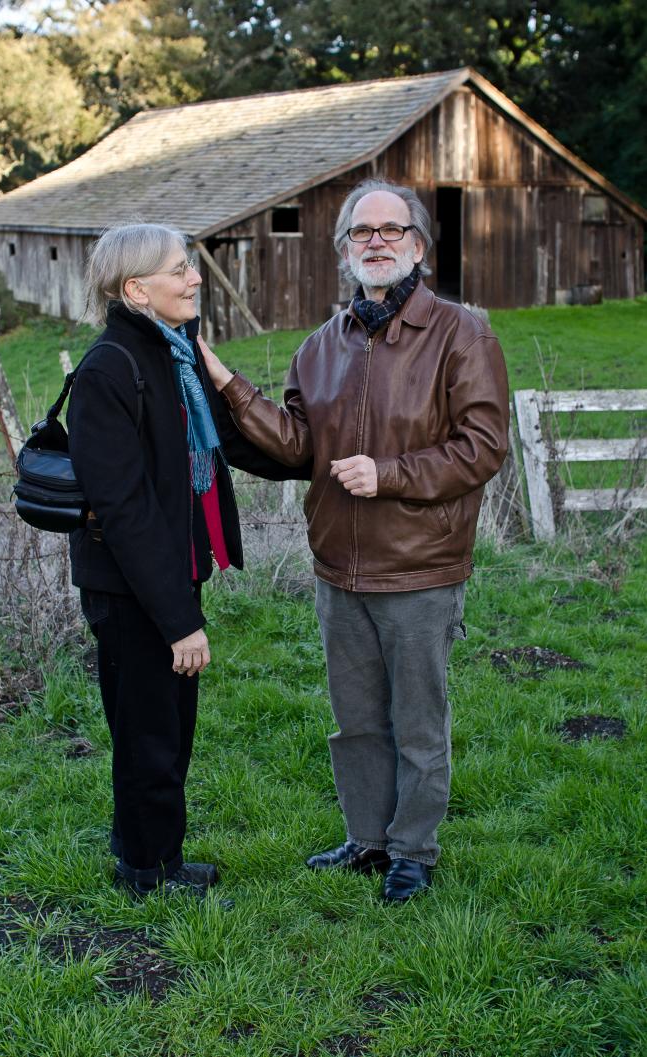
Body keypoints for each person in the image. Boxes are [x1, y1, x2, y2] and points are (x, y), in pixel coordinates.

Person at [199, 179, 510, 902]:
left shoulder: (463, 334)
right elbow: (299, 446)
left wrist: (390, 473)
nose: (376, 241)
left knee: (418, 722)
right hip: (338, 565)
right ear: (343, 250)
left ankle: (413, 850)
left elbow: (485, 445)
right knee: (356, 719)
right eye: (360, 232)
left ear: (419, 245)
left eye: (390, 230)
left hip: (421, 566)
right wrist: (226, 383)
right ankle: (368, 838)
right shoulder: (319, 348)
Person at [67, 223, 307, 898]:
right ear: (137, 288)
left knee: (169, 726)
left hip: (172, 574)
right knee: (149, 733)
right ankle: (148, 872)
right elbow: (125, 511)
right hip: (132, 587)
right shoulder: (109, 368)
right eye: (180, 270)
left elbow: (233, 443)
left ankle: (156, 857)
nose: (195, 278)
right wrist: (179, 620)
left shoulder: (175, 357)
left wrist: (315, 457)